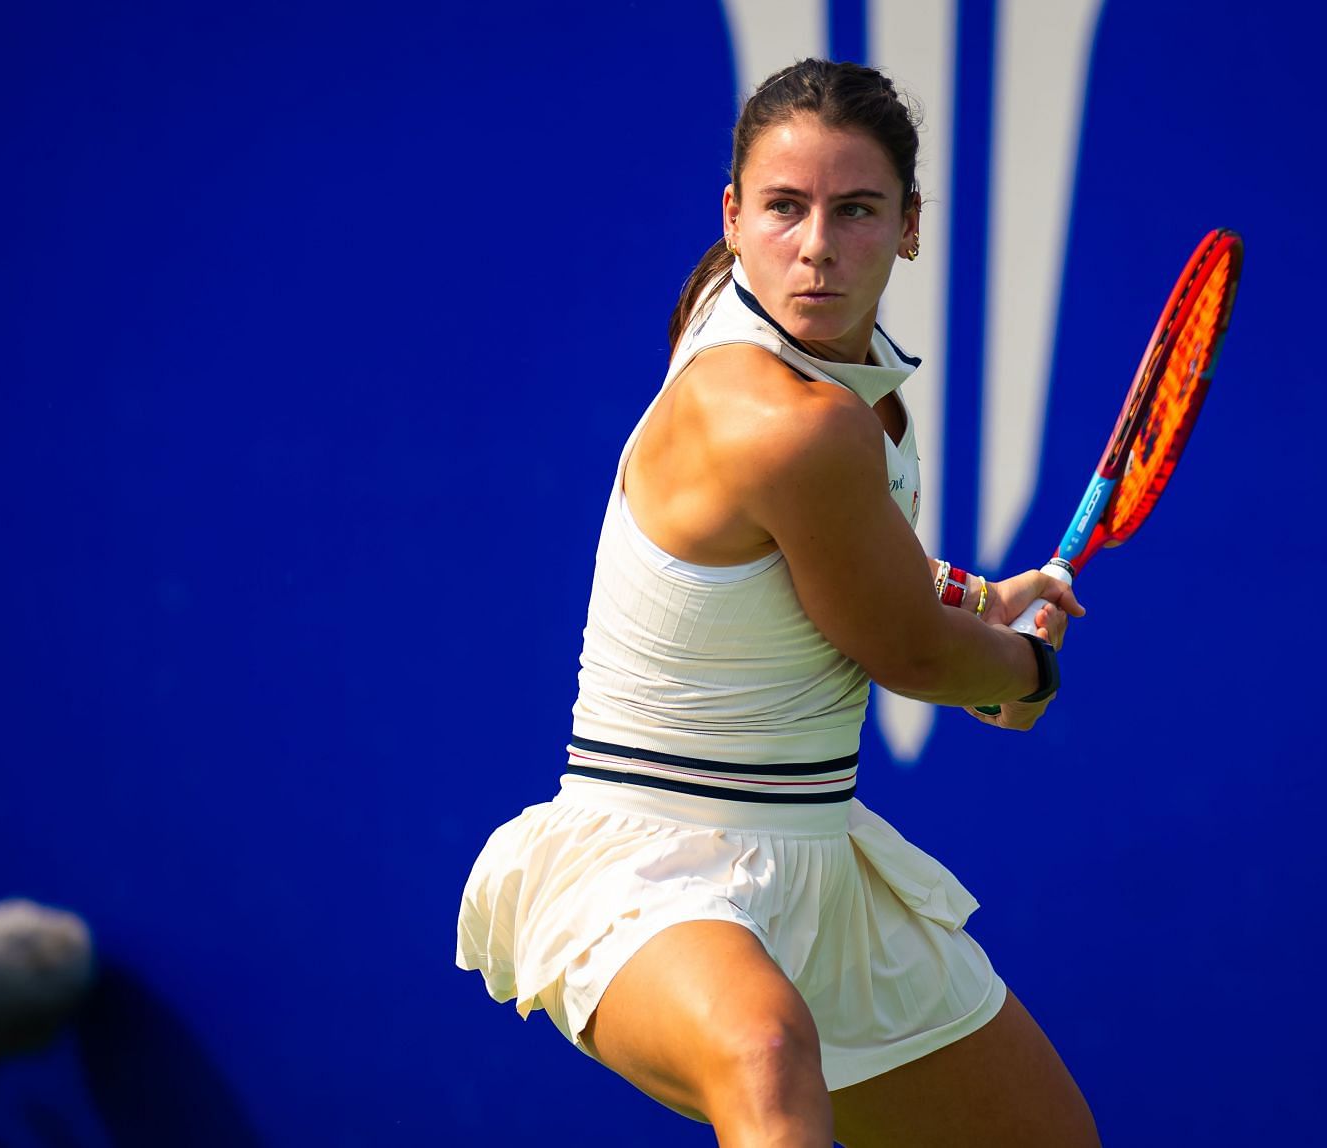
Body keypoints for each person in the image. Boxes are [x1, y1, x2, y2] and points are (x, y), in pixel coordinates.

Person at [456, 58, 1099, 1147]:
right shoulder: (784, 416)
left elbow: (832, 561)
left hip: (822, 867)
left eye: (856, 211)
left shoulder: (782, 343)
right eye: (785, 209)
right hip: (652, 867)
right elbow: (914, 654)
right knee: (764, 1051)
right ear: (735, 214)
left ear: (908, 225)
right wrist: (1027, 666)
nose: (815, 246)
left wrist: (978, 594)